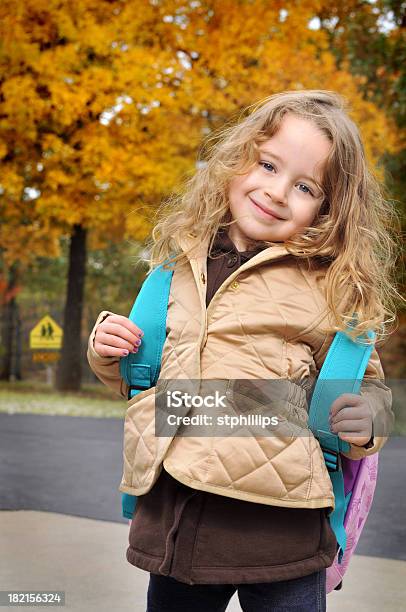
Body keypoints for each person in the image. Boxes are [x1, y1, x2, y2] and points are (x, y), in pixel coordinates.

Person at [87, 90, 398, 611]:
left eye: (304, 186)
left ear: (331, 208)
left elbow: (367, 385)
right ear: (234, 161)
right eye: (267, 164)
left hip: (283, 529)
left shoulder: (330, 288)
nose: (277, 191)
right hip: (179, 520)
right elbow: (143, 380)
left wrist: (368, 417)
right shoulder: (174, 272)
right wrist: (107, 350)